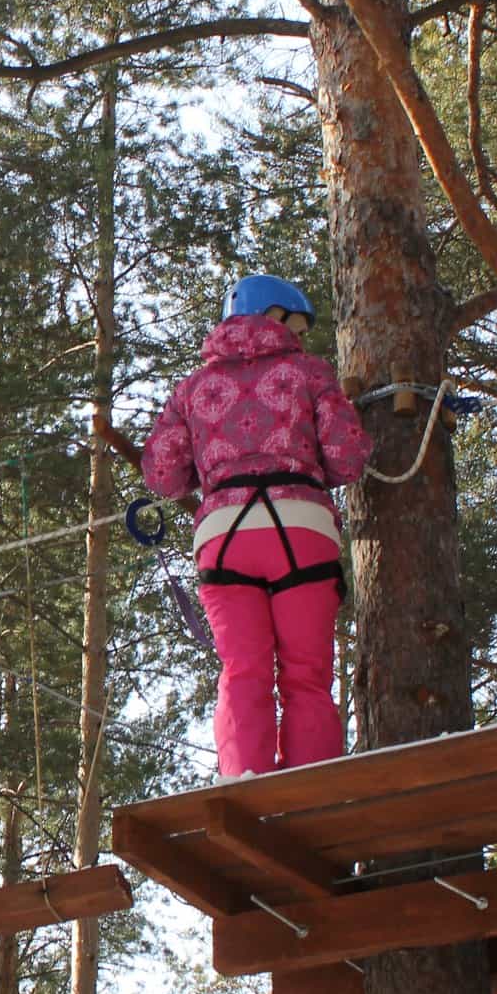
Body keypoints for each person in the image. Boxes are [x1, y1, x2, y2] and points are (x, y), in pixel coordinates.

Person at [141, 275, 370, 780]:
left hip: (224, 537)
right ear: (276, 316)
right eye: (296, 325)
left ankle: (244, 785)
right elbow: (348, 458)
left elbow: (161, 474)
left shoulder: (192, 388)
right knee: (307, 678)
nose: (301, 337)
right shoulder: (309, 373)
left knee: (242, 672)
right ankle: (312, 790)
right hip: (300, 527)